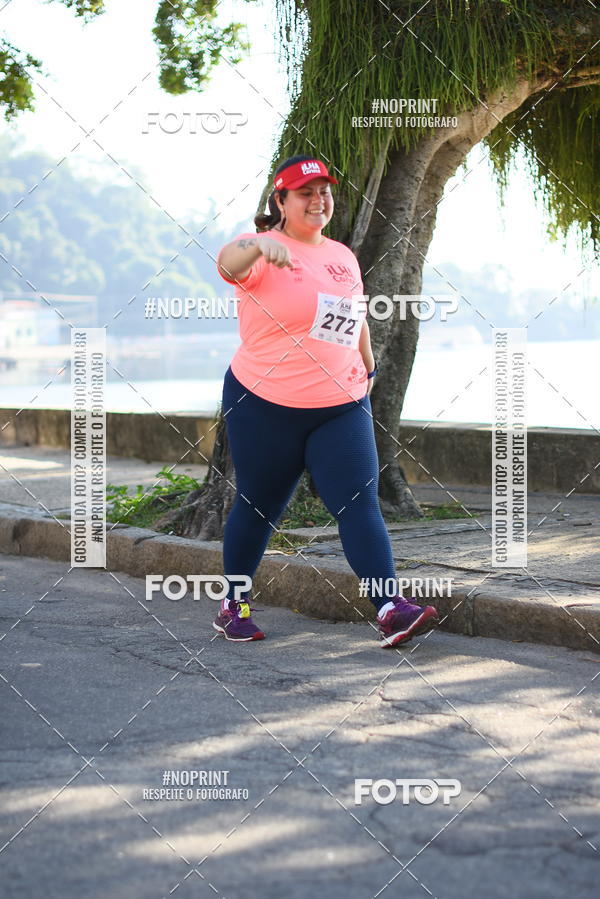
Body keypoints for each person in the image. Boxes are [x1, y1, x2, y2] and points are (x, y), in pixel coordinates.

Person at [212, 154, 439, 648]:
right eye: (305, 193)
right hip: (264, 403)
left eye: (324, 192)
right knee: (259, 506)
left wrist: (369, 365)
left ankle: (390, 608)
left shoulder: (341, 255)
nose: (318, 201)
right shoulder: (261, 249)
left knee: (360, 504)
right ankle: (234, 605)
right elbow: (227, 264)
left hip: (341, 404)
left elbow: (351, 317)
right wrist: (255, 245)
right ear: (281, 200)